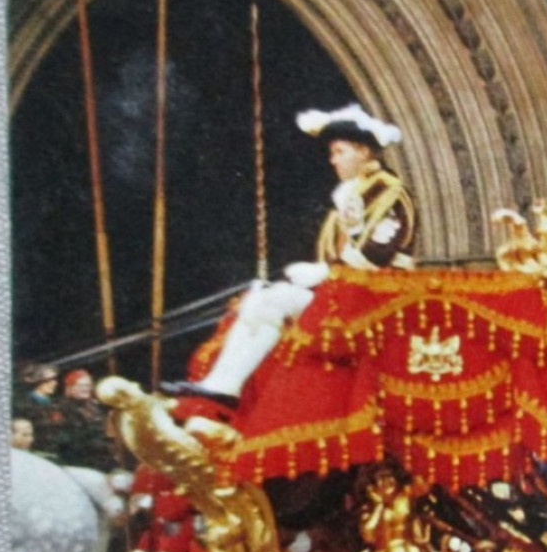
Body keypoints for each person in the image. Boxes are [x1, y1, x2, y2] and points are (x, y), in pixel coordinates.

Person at [164, 104, 415, 408]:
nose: (332, 160)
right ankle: (223, 385)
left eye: (339, 151)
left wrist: (322, 273)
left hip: (377, 301)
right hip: (345, 295)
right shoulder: (352, 195)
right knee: (262, 299)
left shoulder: (388, 191)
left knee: (274, 300)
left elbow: (375, 253)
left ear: (363, 151)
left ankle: (226, 386)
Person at [54, 368, 118, 471]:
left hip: (104, 459)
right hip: (81, 462)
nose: (85, 389)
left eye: (88, 385)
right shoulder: (62, 408)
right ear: (70, 387)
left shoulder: (95, 405)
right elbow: (70, 441)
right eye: (80, 385)